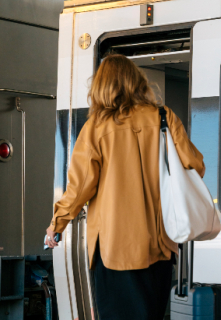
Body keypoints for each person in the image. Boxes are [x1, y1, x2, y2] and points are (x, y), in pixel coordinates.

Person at [45, 54, 205, 319]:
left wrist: (57, 222)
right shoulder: (164, 117)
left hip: (116, 249)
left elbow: (80, 186)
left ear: (100, 86)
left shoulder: (96, 128)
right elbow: (195, 166)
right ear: (136, 81)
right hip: (162, 246)